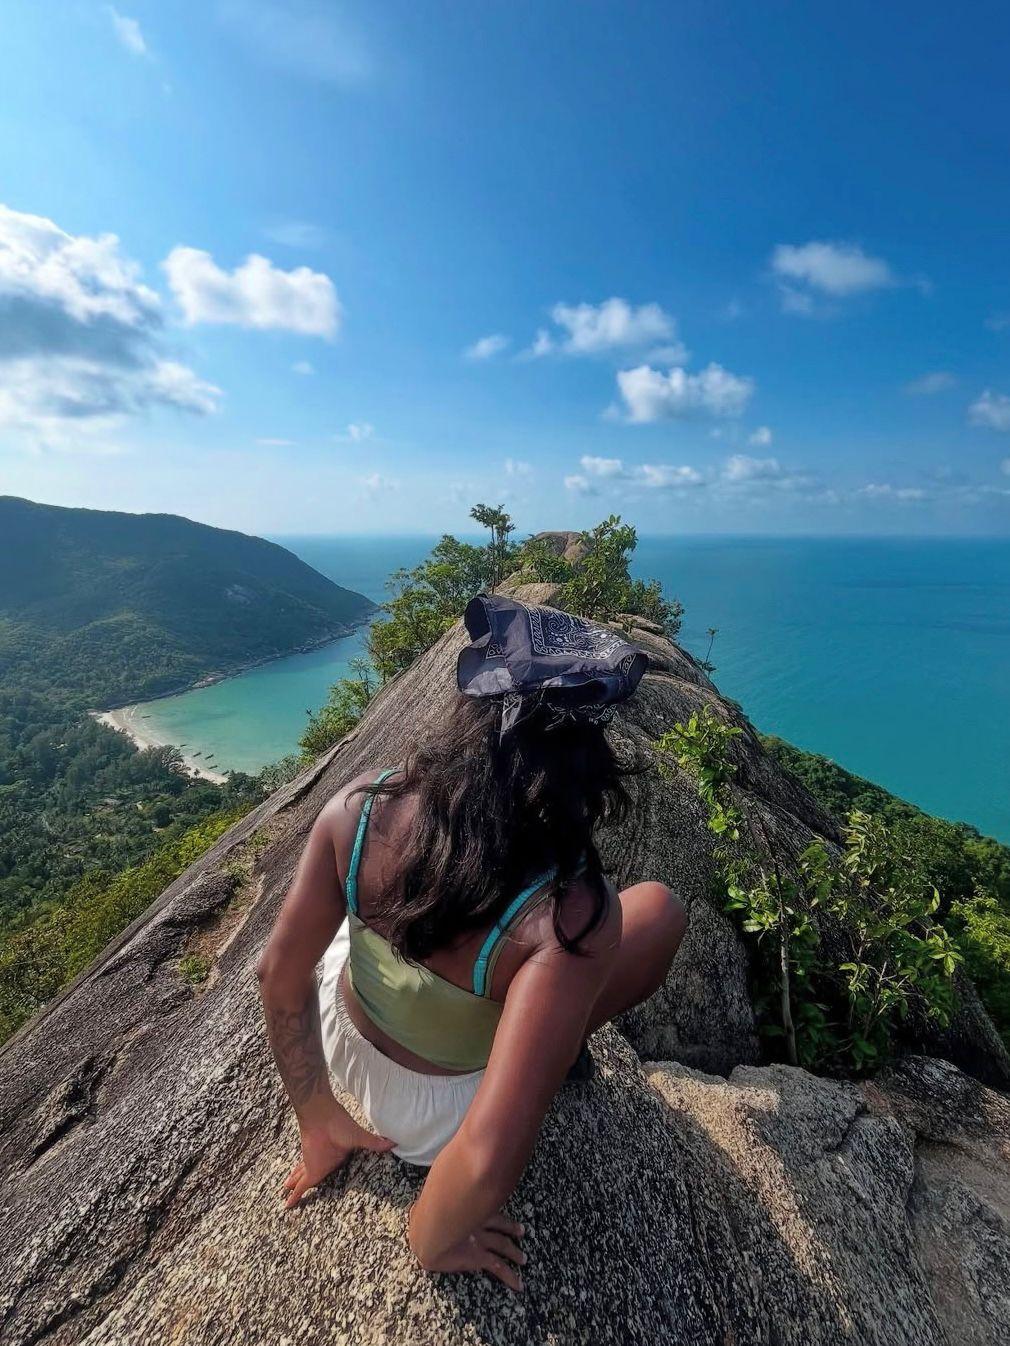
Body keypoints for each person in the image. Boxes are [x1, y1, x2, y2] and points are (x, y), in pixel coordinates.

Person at [257, 594, 688, 1292]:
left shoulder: (360, 805)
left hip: (346, 1050)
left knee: (368, 918)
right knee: (659, 912)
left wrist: (320, 1120)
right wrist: (430, 1237)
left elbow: (278, 973)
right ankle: (543, 1036)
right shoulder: (570, 914)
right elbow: (485, 1156)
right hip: (437, 1124)